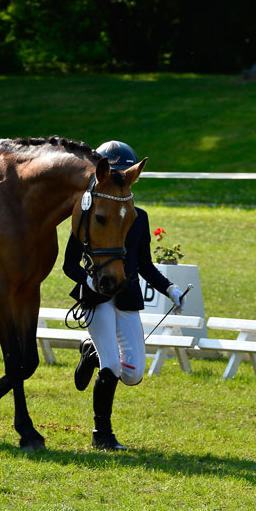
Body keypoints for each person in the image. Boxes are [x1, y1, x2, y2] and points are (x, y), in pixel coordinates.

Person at [63, 140, 185, 451]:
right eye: (113, 176)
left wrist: (169, 289)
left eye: (123, 177)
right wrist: (88, 282)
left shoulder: (138, 217)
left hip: (127, 297)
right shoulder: (85, 211)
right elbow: (68, 264)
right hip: (96, 299)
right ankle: (101, 433)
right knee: (112, 367)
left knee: (132, 374)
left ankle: (89, 351)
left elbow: (143, 263)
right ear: (101, 176)